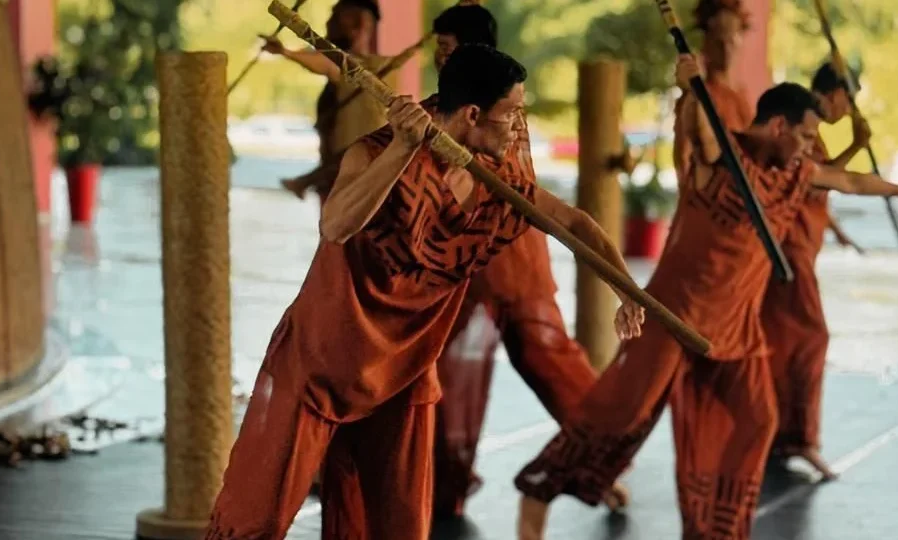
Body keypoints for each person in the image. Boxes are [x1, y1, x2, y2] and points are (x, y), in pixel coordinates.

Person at [203, 44, 645, 540]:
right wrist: (402, 149)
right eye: (513, 114)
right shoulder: (374, 151)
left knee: (396, 527)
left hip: (404, 371)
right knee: (253, 519)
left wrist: (626, 289)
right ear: (474, 114)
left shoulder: (494, 184)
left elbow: (575, 224)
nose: (519, 128)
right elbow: (336, 224)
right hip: (322, 358)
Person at [513, 55, 898, 540]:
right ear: (778, 126)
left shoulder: (795, 173)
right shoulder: (720, 160)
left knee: (756, 420)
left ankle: (715, 531)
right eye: (808, 135)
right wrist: (691, 89)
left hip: (736, 329)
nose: (813, 146)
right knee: (622, 417)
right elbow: (703, 135)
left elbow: (852, 181)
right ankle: (538, 493)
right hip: (674, 319)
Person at [424, 4, 628, 518]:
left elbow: (534, 201)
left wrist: (625, 288)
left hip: (511, 257)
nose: (437, 59)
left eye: (447, 51)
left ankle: (600, 464)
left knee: (550, 362)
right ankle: (436, 486)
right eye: (438, 49)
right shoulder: (439, 110)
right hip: (457, 267)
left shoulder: (495, 110)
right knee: (435, 380)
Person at [761, 61, 869, 480]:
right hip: (789, 255)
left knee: (782, 345)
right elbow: (817, 180)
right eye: (849, 97)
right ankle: (801, 439)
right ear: (835, 93)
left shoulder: (812, 136)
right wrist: (858, 146)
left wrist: (836, 229)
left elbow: (811, 192)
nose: (849, 107)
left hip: (796, 251)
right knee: (811, 339)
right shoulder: (803, 134)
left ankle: (776, 435)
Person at [261, 0, 399, 202]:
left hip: (358, 170)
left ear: (364, 25)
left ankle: (305, 182)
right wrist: (285, 52)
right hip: (341, 166)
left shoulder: (374, 68)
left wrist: (285, 52)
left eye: (337, 17)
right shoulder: (351, 67)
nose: (330, 23)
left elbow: (328, 63)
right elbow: (326, 61)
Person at [673, 0, 754, 188]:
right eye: (719, 43)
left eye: (732, 41)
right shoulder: (698, 96)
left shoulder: (741, 94)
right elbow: (683, 159)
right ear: (706, 43)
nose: (726, 50)